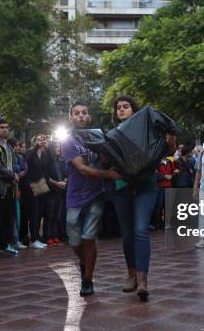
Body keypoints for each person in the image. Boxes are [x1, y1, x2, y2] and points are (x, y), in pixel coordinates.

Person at [110, 95, 175, 301]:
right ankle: (130, 274)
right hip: (122, 187)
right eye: (118, 107)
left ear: (134, 110)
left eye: (126, 106)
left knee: (140, 229)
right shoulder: (111, 134)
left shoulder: (149, 129)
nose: (121, 110)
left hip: (146, 185)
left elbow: (169, 150)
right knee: (127, 234)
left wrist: (171, 139)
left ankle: (143, 280)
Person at [63, 102, 120, 296]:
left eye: (84, 113)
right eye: (76, 113)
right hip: (74, 195)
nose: (80, 116)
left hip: (96, 195)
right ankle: (83, 261)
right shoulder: (68, 141)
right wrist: (108, 175)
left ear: (89, 117)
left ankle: (87, 279)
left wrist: (103, 148)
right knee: (75, 242)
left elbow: (105, 161)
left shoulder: (97, 136)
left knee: (89, 238)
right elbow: (82, 169)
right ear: (71, 118)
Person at [0, 118, 18, 257]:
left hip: (11, 186)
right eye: (1, 127)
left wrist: (16, 173)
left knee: (8, 217)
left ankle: (6, 244)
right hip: (0, 186)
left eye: (6, 127)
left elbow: (15, 163)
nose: (5, 129)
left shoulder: (8, 145)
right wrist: (12, 175)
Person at [22, 134, 51, 249]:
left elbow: (50, 161)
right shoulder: (30, 152)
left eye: (42, 139)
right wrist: (35, 148)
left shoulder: (44, 154)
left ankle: (37, 237)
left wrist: (46, 147)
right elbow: (27, 160)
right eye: (38, 139)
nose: (41, 141)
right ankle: (33, 238)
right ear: (34, 142)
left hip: (42, 185)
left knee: (39, 212)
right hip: (32, 185)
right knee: (34, 212)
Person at [44, 141, 67, 245]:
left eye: (60, 146)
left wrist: (65, 181)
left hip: (60, 191)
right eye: (57, 147)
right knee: (49, 214)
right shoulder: (47, 161)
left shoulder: (62, 160)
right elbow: (46, 176)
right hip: (51, 190)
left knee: (57, 215)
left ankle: (55, 235)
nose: (59, 149)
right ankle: (48, 236)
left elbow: (67, 173)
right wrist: (57, 183)